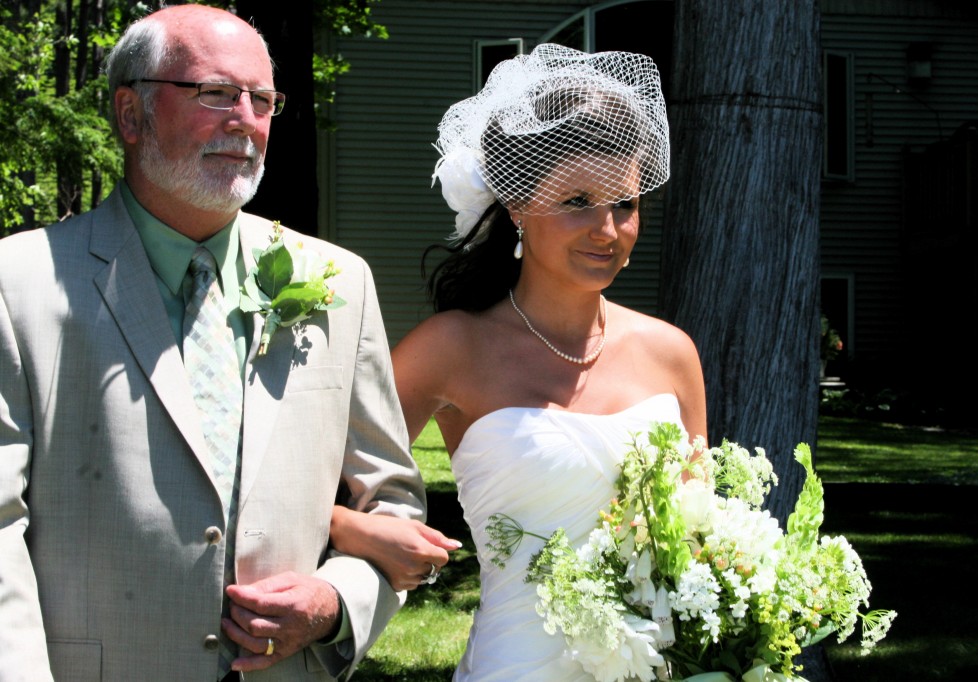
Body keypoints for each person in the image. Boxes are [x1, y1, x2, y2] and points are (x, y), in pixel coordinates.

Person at [0, 5, 450, 681]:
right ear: (130, 115)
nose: (245, 119)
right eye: (215, 94)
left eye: (262, 99)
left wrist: (334, 603)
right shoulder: (21, 281)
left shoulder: (338, 284)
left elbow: (391, 504)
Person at [332, 44, 708, 680]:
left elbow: (705, 539)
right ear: (516, 208)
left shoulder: (672, 353)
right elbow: (302, 483)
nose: (608, 229)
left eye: (626, 203)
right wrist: (353, 530)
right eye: (576, 201)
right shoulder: (452, 348)